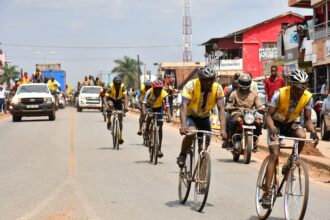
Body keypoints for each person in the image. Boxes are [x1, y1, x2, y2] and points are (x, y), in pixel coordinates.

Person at [261, 69, 319, 208]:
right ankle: (267, 193)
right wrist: (272, 127)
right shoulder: (279, 95)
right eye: (299, 86)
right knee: (274, 154)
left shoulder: (307, 97)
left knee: (302, 135)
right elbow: (268, 116)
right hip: (275, 124)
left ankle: (291, 161)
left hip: (291, 123)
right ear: (292, 85)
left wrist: (313, 132)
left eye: (304, 86)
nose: (302, 90)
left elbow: (307, 120)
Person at [176, 66, 227, 167]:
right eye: (206, 80)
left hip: (204, 117)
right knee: (191, 132)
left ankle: (201, 171)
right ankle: (182, 155)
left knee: (203, 147)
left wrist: (223, 129)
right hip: (191, 116)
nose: (209, 83)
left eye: (211, 80)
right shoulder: (191, 85)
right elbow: (183, 106)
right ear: (200, 79)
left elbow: (221, 109)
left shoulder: (217, 88)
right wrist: (183, 125)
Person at [225, 74, 264, 151]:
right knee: (233, 121)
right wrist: (230, 107)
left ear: (249, 83)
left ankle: (255, 142)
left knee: (259, 122)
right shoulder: (234, 93)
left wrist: (262, 109)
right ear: (239, 83)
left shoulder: (254, 94)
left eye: (246, 83)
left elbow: (259, 105)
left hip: (250, 115)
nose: (245, 85)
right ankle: (230, 141)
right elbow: (229, 105)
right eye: (243, 83)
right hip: (237, 113)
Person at [142, 80, 170, 158]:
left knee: (160, 127)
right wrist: (144, 113)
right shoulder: (149, 91)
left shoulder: (164, 94)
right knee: (150, 115)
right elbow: (143, 103)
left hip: (158, 108)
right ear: (153, 89)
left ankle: (159, 149)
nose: (158, 91)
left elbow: (167, 105)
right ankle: (147, 129)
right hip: (149, 107)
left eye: (159, 89)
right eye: (156, 89)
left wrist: (168, 115)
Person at [104, 76, 128, 144]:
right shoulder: (110, 86)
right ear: (114, 84)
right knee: (110, 106)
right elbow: (105, 98)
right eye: (116, 84)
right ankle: (109, 120)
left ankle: (120, 137)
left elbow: (126, 97)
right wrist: (107, 107)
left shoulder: (123, 86)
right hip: (111, 99)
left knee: (120, 119)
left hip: (118, 100)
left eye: (119, 84)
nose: (117, 86)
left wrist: (126, 107)